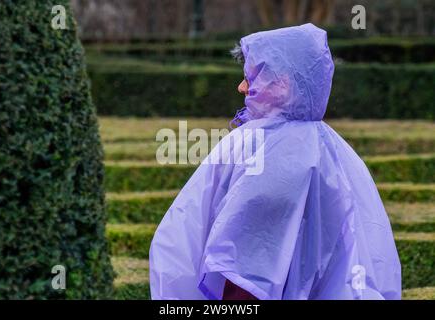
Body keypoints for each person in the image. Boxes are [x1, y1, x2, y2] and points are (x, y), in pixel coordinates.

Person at [149, 23, 401, 300]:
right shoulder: (334, 148)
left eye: (252, 77)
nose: (242, 86)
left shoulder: (270, 150)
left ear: (282, 83)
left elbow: (248, 267)